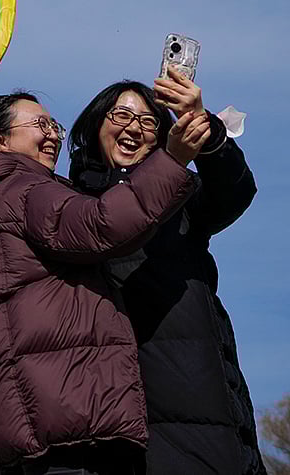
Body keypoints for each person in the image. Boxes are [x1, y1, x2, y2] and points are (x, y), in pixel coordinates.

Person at [0, 91, 208, 475]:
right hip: (70, 424)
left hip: (29, 429)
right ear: (0, 141)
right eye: (39, 125)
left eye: (55, 126)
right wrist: (173, 160)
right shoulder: (22, 189)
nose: (51, 135)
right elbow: (102, 225)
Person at [68, 67, 265, 474]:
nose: (133, 128)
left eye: (146, 122)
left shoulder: (182, 195)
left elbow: (235, 192)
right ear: (94, 126)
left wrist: (203, 129)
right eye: (120, 116)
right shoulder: (71, 204)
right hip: (122, 405)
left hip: (205, 387)